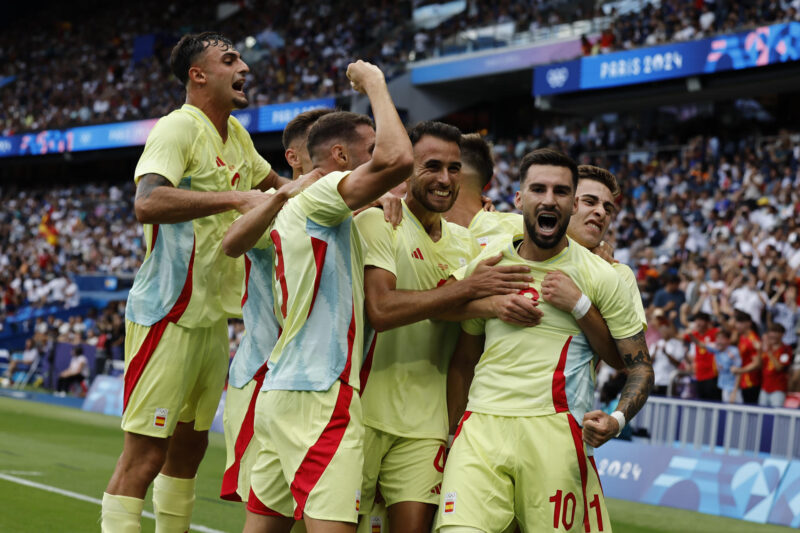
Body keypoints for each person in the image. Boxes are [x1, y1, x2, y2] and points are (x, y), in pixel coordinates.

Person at [103, 32, 285, 533]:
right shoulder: (177, 128)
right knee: (143, 456)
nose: (244, 66)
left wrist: (362, 193)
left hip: (211, 318)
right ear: (197, 75)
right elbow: (148, 203)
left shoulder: (239, 137)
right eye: (230, 59)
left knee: (189, 449)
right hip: (167, 313)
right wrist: (234, 200)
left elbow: (283, 194)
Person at [223, 60, 414, 533]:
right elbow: (398, 161)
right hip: (321, 395)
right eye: (366, 150)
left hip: (278, 390)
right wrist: (374, 84)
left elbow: (231, 243)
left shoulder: (298, 206)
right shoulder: (322, 192)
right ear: (341, 157)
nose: (376, 156)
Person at [440, 149, 653, 532]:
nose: (549, 199)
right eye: (538, 189)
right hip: (481, 426)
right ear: (519, 198)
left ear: (568, 203)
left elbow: (631, 364)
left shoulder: (609, 276)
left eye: (561, 192)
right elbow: (449, 328)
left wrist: (580, 305)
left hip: (556, 430)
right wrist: (489, 302)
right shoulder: (493, 256)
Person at [354, 122, 536, 532]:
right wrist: (471, 289)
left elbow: (452, 307)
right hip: (361, 412)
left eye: (454, 169)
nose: (445, 179)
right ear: (405, 168)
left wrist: (595, 249)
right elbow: (381, 309)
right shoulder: (379, 221)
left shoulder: (464, 241)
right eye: (431, 166)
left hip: (427, 424)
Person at [220, 107, 333, 505]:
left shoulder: (342, 201)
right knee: (270, 514)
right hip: (265, 374)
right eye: (318, 149)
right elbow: (234, 243)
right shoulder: (271, 203)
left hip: (323, 382)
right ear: (294, 157)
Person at [737, 323, 792, 408]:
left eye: (776, 332)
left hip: (778, 389)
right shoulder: (765, 348)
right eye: (771, 332)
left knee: (776, 415)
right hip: (764, 388)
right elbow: (759, 365)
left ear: (782, 334)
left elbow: (779, 368)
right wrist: (759, 351)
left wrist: (769, 352)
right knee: (762, 415)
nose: (772, 335)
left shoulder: (786, 349)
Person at [694, 329, 741, 404]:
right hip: (722, 386)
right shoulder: (716, 348)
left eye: (722, 338)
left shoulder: (733, 352)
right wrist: (690, 335)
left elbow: (739, 372)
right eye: (718, 338)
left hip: (733, 388)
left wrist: (734, 392)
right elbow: (700, 344)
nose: (719, 341)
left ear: (728, 340)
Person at [649, 311, 687, 396]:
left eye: (665, 329)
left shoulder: (677, 344)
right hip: (656, 380)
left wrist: (667, 354)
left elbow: (678, 363)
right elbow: (649, 362)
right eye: (661, 330)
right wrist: (654, 352)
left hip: (669, 381)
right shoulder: (656, 344)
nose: (662, 332)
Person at [685, 312, 721, 401]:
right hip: (699, 375)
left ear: (708, 322)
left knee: (713, 402)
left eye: (701, 320)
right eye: (696, 320)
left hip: (712, 375)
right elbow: (677, 336)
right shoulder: (695, 334)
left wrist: (691, 335)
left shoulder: (715, 333)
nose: (698, 323)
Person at [732, 310, 761, 405]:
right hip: (743, 381)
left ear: (748, 323)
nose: (737, 325)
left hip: (752, 382)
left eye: (740, 322)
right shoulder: (742, 337)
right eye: (736, 322)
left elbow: (757, 363)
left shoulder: (753, 340)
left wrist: (740, 370)